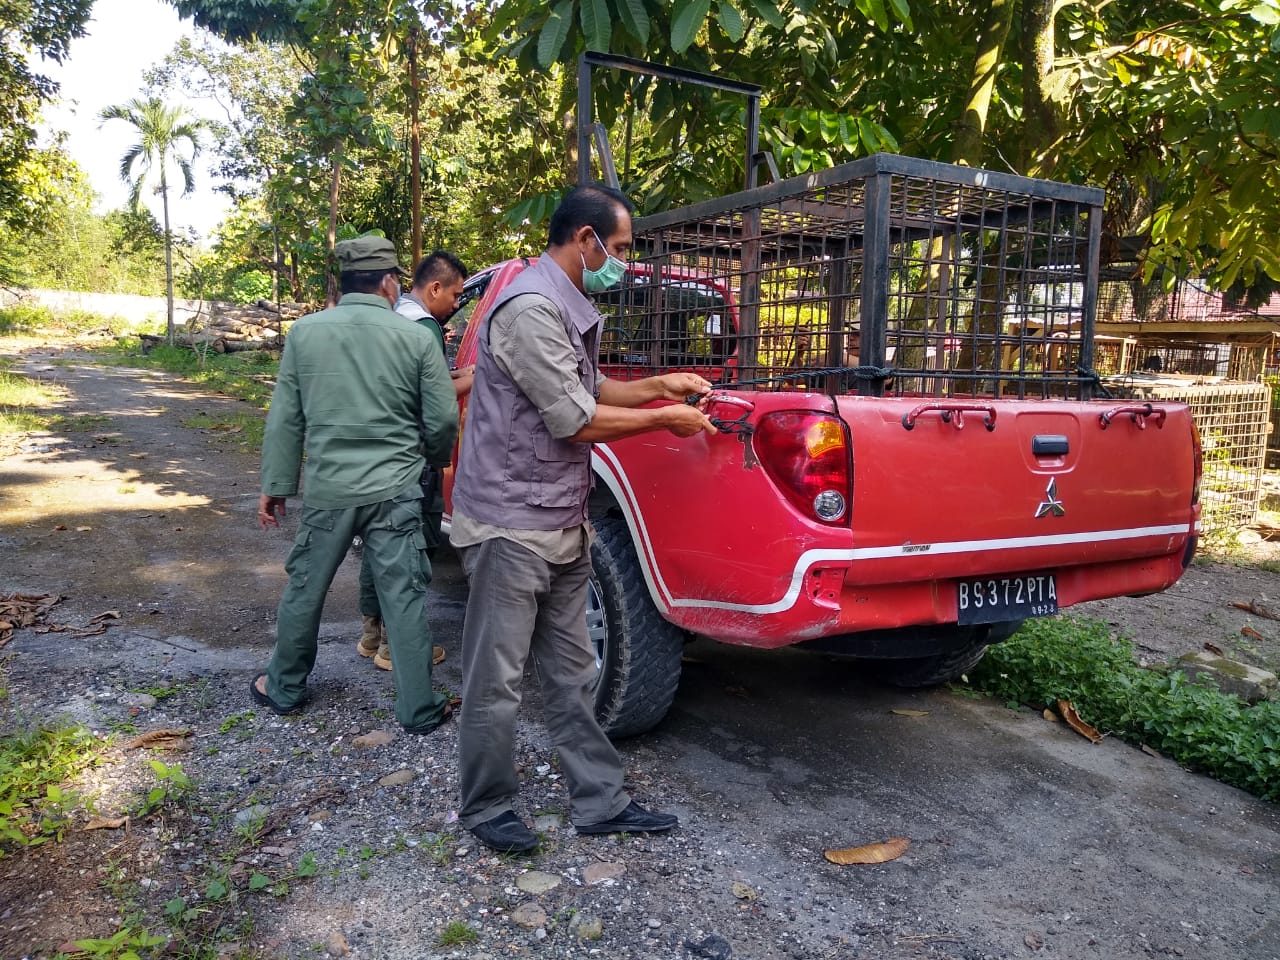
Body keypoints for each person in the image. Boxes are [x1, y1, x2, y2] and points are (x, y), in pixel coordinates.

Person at [449, 184, 717, 853]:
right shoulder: (530, 308)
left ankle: (600, 800)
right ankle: (487, 806)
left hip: (560, 523)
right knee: (497, 679)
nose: (622, 263)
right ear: (584, 240)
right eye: (619, 249)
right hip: (512, 525)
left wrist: (662, 383)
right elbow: (573, 419)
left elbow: (590, 387)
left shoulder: (567, 305)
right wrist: (665, 420)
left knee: (573, 674)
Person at [250, 235, 458, 734]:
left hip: (329, 489)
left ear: (343, 284)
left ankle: (284, 688)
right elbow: (443, 418)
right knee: (404, 596)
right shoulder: (415, 336)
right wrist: (429, 459)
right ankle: (418, 708)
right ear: (390, 282)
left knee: (306, 587)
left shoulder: (306, 333)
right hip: (396, 491)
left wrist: (276, 484)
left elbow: (286, 418)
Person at [355, 250, 475, 671]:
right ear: (435, 288)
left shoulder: (392, 317)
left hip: (375, 453)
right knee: (411, 548)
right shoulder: (423, 327)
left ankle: (372, 634)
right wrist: (442, 456)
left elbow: (422, 381)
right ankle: (396, 647)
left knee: (377, 544)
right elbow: (435, 400)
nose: (458, 304)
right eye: (456, 295)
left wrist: (462, 374)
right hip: (413, 456)